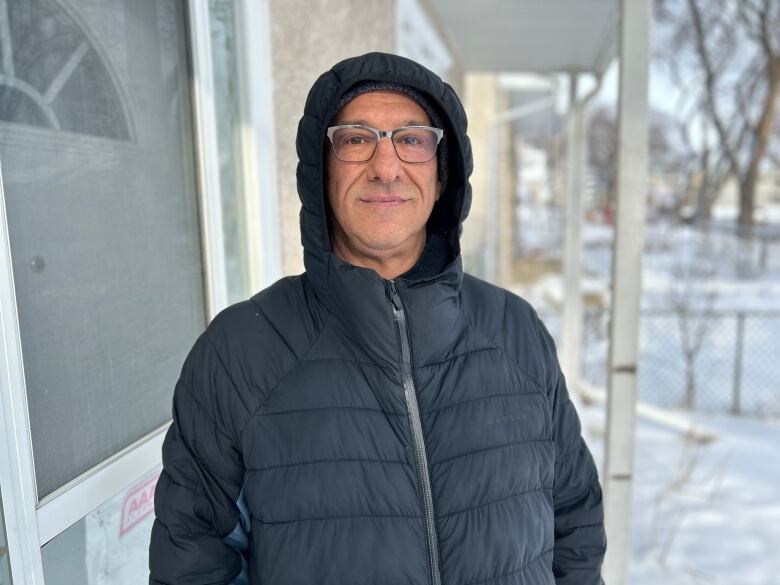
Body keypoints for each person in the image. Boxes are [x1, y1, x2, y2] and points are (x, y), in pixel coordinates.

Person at [150, 52, 606, 585]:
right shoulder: (240, 353)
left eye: (412, 139)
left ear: (442, 177)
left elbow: (573, 524)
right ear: (321, 173)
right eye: (356, 138)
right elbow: (193, 563)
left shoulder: (515, 331)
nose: (386, 166)